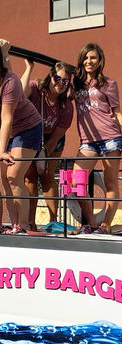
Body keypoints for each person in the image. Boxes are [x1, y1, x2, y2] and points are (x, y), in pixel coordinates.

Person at [0, 39, 42, 234]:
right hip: (2, 130)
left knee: (13, 176)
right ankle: (15, 225)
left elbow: (7, 118)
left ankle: (24, 226)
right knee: (4, 179)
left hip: (26, 128)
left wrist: (1, 151)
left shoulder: (9, 81)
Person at [72, 43, 122, 234]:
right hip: (88, 141)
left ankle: (106, 225)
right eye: (85, 57)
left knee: (110, 183)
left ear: (100, 60)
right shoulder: (76, 84)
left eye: (93, 57)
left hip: (111, 138)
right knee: (77, 182)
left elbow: (117, 112)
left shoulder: (109, 83)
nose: (89, 61)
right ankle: (91, 223)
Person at [20, 60, 75, 229]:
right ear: (51, 76)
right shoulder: (36, 89)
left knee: (47, 177)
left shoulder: (66, 105)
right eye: (57, 78)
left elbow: (58, 134)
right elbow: (20, 93)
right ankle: (30, 221)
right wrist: (29, 68)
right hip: (30, 135)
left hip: (52, 139)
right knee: (30, 178)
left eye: (65, 81)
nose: (60, 84)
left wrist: (43, 156)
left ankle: (53, 220)